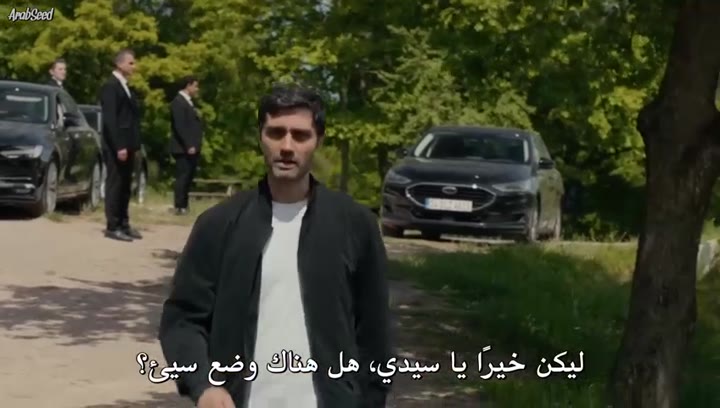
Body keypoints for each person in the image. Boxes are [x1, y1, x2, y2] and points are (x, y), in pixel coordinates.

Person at [159, 84, 393, 408]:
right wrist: (203, 386)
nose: (286, 146)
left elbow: (375, 334)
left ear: (319, 140)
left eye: (300, 135)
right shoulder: (219, 224)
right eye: (276, 133)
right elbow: (183, 319)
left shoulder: (355, 225)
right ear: (260, 137)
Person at [98, 48, 143, 242]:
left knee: (125, 185)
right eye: (131, 63)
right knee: (115, 184)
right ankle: (113, 225)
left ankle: (124, 223)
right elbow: (111, 120)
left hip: (129, 143)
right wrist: (119, 146)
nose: (134, 66)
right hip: (117, 145)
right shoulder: (111, 86)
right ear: (119, 64)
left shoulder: (126, 87)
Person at [169, 75, 203, 215]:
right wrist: (189, 144)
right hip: (183, 148)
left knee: (188, 177)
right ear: (188, 86)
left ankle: (184, 204)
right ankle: (179, 205)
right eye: (195, 86)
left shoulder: (189, 102)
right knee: (182, 177)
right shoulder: (178, 102)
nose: (197, 89)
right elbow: (180, 126)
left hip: (191, 147)